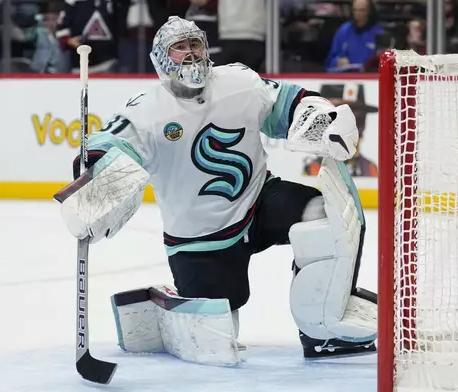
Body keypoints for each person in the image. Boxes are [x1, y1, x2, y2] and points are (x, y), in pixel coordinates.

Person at [57, 16, 377, 361]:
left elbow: (289, 102)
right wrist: (93, 174)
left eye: (195, 44)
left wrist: (319, 115)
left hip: (259, 203)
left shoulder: (239, 81)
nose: (191, 53)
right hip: (199, 236)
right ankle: (171, 306)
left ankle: (323, 329)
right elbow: (108, 146)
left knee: (325, 217)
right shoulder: (146, 111)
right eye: (179, 47)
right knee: (217, 339)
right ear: (162, 58)